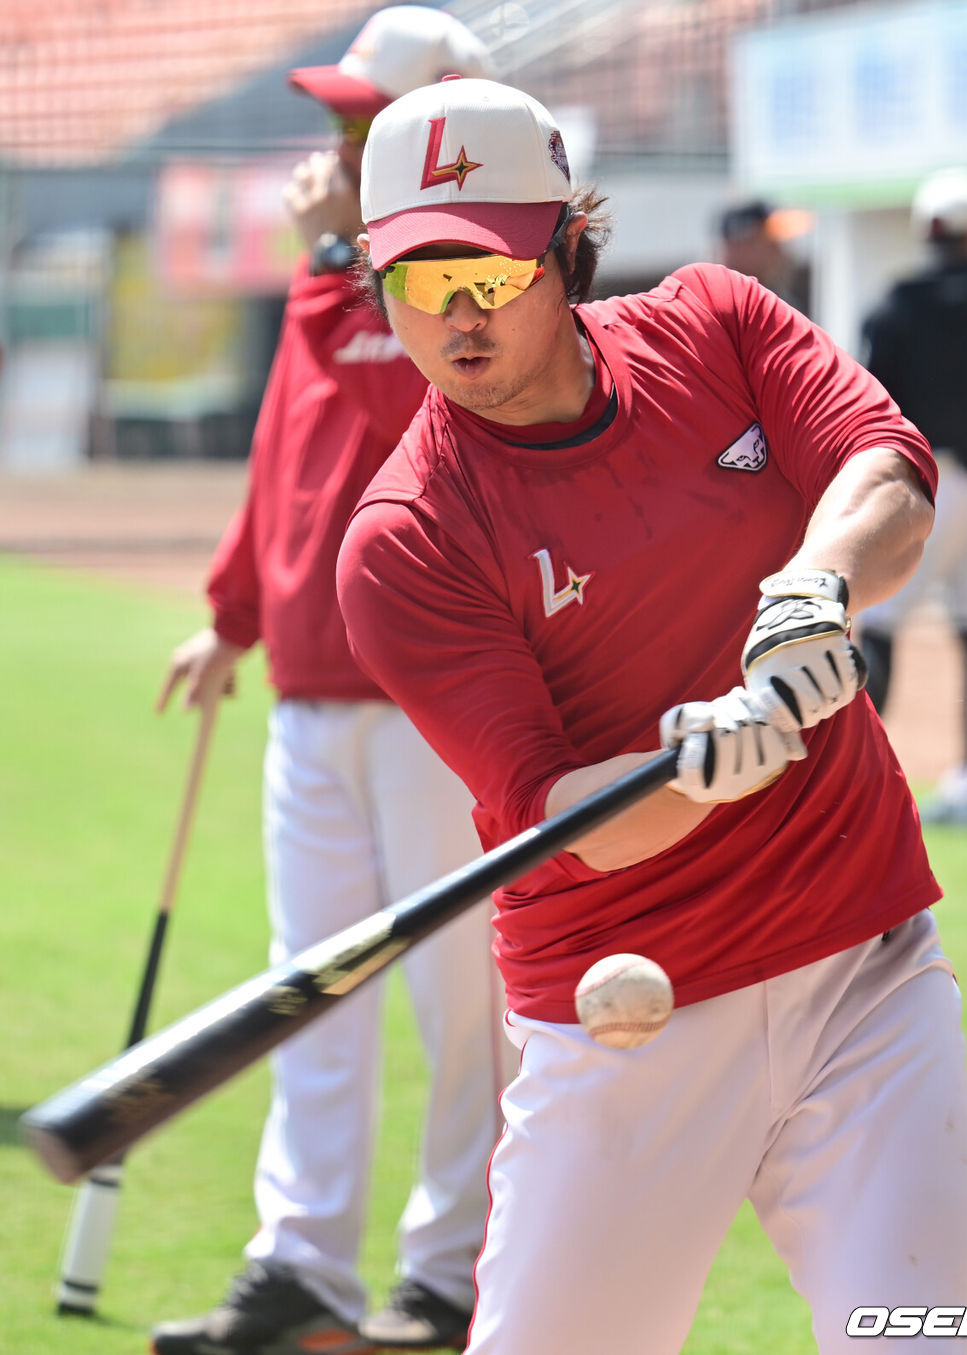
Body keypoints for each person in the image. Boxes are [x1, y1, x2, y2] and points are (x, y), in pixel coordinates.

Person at [335, 78, 967, 1355]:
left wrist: (814, 587)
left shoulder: (716, 322)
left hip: (862, 970)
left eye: (486, 273)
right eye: (417, 284)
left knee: (921, 1339)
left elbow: (889, 479)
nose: (454, 318)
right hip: (617, 1020)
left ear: (565, 251)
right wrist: (695, 770)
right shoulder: (405, 540)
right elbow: (562, 818)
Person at [151, 13, 513, 1355]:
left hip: (435, 696)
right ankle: (301, 1263)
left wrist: (337, 261)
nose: (337, 145)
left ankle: (457, 1275)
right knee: (308, 989)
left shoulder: (465, 285)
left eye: (367, 123)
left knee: (462, 1006)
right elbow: (288, 453)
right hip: (312, 688)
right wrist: (233, 614)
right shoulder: (336, 277)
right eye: (346, 121)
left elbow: (396, 425)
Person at [857, 166, 967, 825]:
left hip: (925, 487)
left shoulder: (893, 306)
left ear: (927, 232)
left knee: (883, 630)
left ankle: (866, 785)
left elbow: (870, 404)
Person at [717, 197, 812, 315]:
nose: (779, 249)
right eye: (770, 241)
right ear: (738, 247)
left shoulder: (779, 301)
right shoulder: (720, 305)